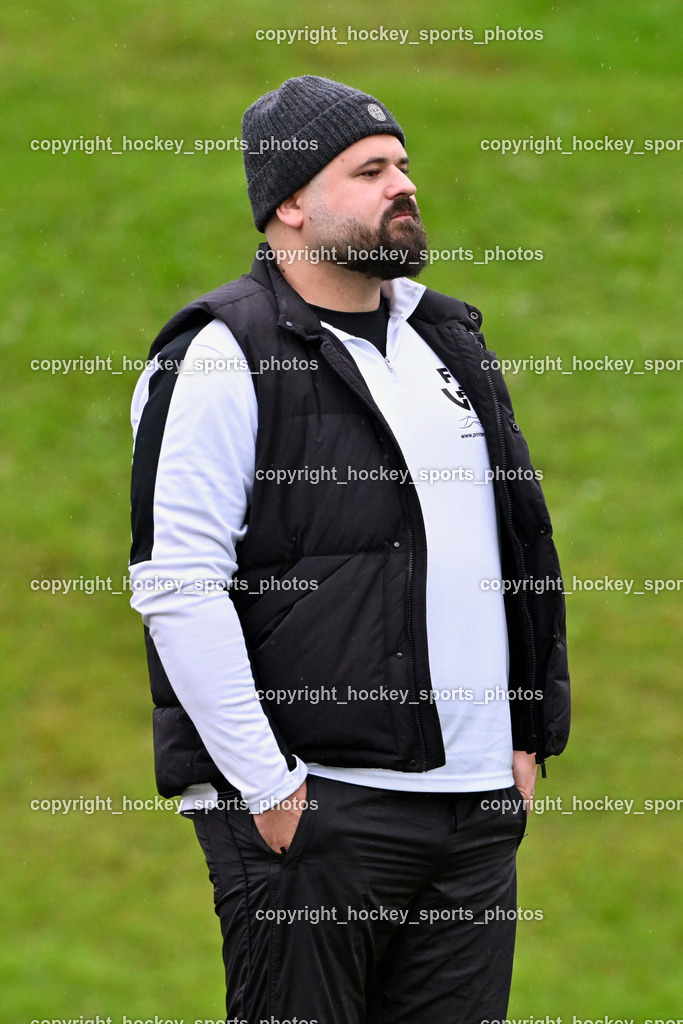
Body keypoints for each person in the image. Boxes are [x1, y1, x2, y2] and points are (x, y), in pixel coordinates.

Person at [129, 75, 570, 1024]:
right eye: (368, 170)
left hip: (474, 812)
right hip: (316, 812)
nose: (401, 186)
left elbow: (516, 541)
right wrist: (271, 792)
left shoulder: (447, 339)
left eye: (403, 165)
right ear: (289, 204)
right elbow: (176, 585)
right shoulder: (218, 356)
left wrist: (522, 738)